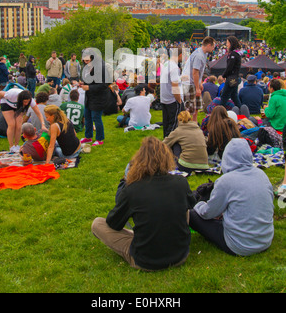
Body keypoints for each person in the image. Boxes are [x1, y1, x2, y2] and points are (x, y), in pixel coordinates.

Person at [91, 136, 197, 271]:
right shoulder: (180, 182)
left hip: (145, 260)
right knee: (184, 205)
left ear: (139, 160)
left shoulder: (132, 189)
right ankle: (155, 235)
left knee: (97, 224)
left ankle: (146, 236)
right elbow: (192, 205)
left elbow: (113, 223)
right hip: (180, 255)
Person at [189, 138, 274, 256]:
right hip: (265, 240)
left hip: (240, 245)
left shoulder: (226, 181)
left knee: (191, 215)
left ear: (227, 157)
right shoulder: (261, 174)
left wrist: (199, 205)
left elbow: (207, 213)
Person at [0, 88, 47, 152]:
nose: (26, 103)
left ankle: (16, 145)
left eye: (28, 102)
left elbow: (38, 113)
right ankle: (11, 146)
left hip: (19, 106)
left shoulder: (31, 101)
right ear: (21, 99)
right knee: (12, 124)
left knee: (19, 126)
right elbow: (0, 93)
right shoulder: (11, 94)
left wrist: (43, 124)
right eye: (25, 102)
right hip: (7, 104)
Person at [80, 48, 111, 146]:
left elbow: (104, 84)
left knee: (96, 117)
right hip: (89, 96)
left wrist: (89, 87)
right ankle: (88, 137)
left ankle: (99, 139)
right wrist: (83, 83)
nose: (86, 62)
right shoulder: (86, 66)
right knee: (87, 116)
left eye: (87, 60)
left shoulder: (101, 67)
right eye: (84, 60)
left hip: (99, 97)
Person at [182, 37, 216, 122]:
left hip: (193, 82)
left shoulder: (203, 53)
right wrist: (197, 87)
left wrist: (200, 83)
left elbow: (199, 72)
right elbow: (195, 72)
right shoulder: (199, 55)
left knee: (196, 105)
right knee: (189, 107)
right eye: (213, 46)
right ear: (209, 45)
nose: (213, 49)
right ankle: (187, 125)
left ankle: (195, 122)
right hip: (189, 83)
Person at [160, 46, 184, 138]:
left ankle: (164, 142)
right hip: (172, 100)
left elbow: (170, 80)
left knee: (166, 123)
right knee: (173, 125)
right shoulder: (174, 68)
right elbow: (174, 87)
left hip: (164, 98)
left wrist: (181, 78)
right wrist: (179, 101)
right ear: (180, 55)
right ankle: (168, 145)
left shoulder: (167, 64)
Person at [220, 36, 242, 110]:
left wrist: (224, 75)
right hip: (235, 77)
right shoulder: (237, 53)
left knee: (224, 96)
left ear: (231, 43)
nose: (226, 44)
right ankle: (241, 110)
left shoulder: (232, 54)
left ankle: (220, 111)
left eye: (227, 43)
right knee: (234, 96)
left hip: (231, 78)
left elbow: (229, 67)